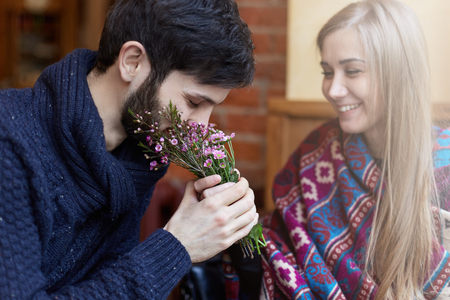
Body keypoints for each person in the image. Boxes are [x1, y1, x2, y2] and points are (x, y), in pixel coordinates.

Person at [0, 0, 260, 299]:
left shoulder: (138, 157)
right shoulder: (10, 142)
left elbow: (106, 281)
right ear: (132, 61)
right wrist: (177, 247)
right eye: (194, 102)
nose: (201, 128)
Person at [259, 0, 450, 299]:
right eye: (327, 71)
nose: (333, 90)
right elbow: (278, 240)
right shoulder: (316, 149)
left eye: (352, 71)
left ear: (397, 73)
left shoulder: (444, 170)